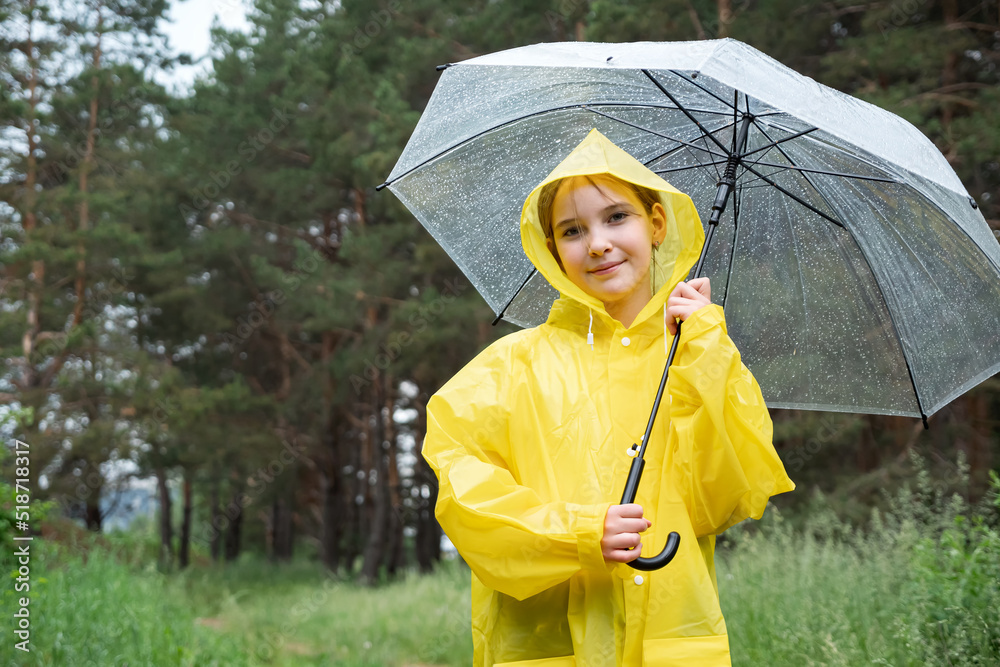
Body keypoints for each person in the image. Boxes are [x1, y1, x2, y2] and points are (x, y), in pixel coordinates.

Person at [422, 128, 795, 667]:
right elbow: (464, 495)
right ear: (552, 250)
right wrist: (577, 532)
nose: (597, 242)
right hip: (543, 646)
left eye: (617, 217)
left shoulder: (693, 355)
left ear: (657, 225)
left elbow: (729, 495)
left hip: (669, 640)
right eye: (572, 230)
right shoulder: (510, 367)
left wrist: (705, 350)